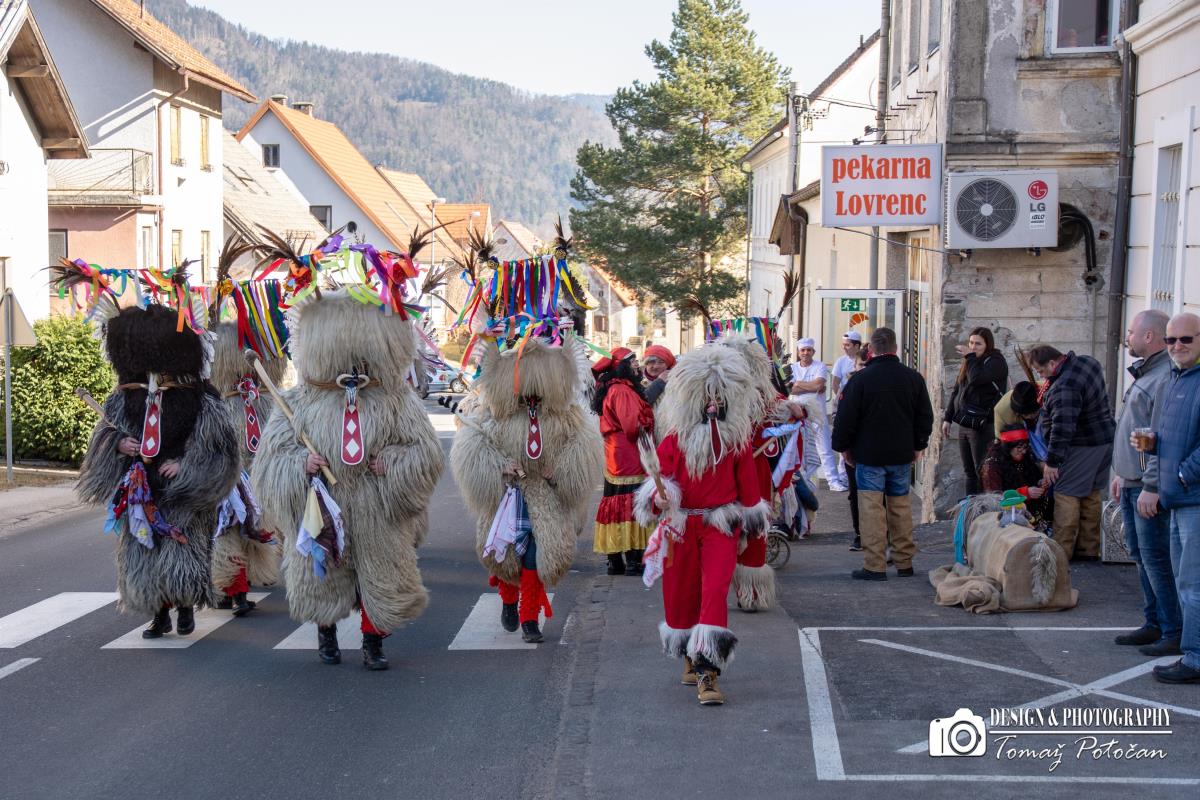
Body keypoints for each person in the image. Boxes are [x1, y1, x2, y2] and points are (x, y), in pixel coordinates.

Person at [252, 258, 445, 670]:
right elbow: (270, 461)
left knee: (380, 574)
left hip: (377, 504)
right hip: (320, 504)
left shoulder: (395, 398)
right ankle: (326, 633)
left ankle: (374, 643)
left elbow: (425, 452)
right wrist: (301, 464)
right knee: (324, 573)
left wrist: (393, 462)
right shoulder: (299, 400)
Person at [74, 297, 239, 639]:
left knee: (183, 549)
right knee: (145, 549)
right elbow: (106, 433)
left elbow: (218, 445)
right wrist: (120, 444)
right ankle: (159, 614)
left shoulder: (200, 396)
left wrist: (186, 465)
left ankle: (185, 606)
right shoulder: (124, 396)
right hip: (141, 488)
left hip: (181, 491)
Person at [634, 343, 766, 705]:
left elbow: (750, 496)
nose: (712, 404)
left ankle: (709, 671)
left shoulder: (736, 442)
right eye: (706, 397)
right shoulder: (674, 440)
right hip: (681, 527)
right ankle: (690, 656)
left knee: (714, 593)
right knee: (682, 596)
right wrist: (659, 498)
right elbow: (656, 486)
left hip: (720, 527)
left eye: (718, 397)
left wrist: (752, 542)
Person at [832, 327, 934, 581]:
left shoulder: (860, 380)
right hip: (901, 453)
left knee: (871, 511)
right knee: (900, 508)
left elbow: (845, 418)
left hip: (869, 454)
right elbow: (925, 416)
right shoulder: (913, 378)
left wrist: (843, 447)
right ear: (895, 348)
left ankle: (875, 565)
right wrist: (918, 445)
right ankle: (904, 562)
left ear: (871, 349)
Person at [1111, 310, 1180, 657]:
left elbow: (1159, 439)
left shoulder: (1164, 377)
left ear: (1149, 336)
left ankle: (1172, 629)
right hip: (1132, 481)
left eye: (1131, 332)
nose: (1127, 337)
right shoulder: (1148, 373)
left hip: (1146, 486)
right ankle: (1154, 622)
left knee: (1155, 558)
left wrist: (1150, 485)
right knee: (1141, 555)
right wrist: (1122, 474)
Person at [1140, 312, 1200, 684]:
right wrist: (1153, 447)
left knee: (1193, 585)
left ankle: (1196, 659)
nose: (1177, 346)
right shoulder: (1178, 378)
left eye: (1185, 339)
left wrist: (1180, 473)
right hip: (1178, 499)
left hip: (1193, 499)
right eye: (1171, 340)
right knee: (1185, 583)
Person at [1028, 344, 1115, 561]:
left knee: (1066, 493)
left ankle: (1061, 553)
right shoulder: (1087, 362)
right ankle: (1088, 549)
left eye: (1041, 370)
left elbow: (1063, 428)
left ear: (1052, 363)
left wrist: (1052, 462)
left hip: (1082, 444)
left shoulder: (1064, 387)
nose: (1041, 376)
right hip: (1104, 440)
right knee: (1091, 494)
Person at [591, 347, 655, 575]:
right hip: (629, 456)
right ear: (622, 366)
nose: (637, 364)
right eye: (633, 361)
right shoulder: (622, 390)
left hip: (616, 456)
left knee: (614, 504)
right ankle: (634, 561)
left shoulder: (613, 388)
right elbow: (632, 427)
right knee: (631, 504)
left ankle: (615, 561)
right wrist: (648, 421)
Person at [942, 327, 1009, 496]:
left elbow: (977, 379)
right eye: (971, 343)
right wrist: (947, 418)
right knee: (969, 472)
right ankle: (969, 508)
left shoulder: (996, 362)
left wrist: (970, 357)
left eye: (978, 344)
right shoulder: (970, 361)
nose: (973, 347)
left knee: (983, 471)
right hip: (965, 422)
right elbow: (957, 390)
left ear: (988, 345)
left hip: (983, 425)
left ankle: (983, 508)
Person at [791, 337, 846, 491]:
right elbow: (791, 389)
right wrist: (811, 387)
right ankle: (804, 480)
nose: (805, 353)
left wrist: (799, 384)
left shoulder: (820, 366)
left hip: (818, 414)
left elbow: (819, 384)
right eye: (803, 350)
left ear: (813, 351)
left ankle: (833, 481)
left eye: (808, 350)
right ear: (798, 352)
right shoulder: (792, 368)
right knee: (800, 448)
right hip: (798, 413)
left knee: (824, 447)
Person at [980, 426, 1053, 529]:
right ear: (1008, 447)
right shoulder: (992, 465)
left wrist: (1040, 483)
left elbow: (1032, 478)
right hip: (1006, 516)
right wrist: (1024, 493)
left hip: (1030, 512)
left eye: (1025, 447)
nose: (1023, 451)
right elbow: (993, 498)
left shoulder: (1026, 458)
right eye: (1019, 447)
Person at [830, 331, 863, 401]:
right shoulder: (840, 361)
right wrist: (843, 398)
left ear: (856, 346)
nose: (843, 347)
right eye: (843, 345)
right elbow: (835, 384)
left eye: (847, 345)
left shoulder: (866, 359)